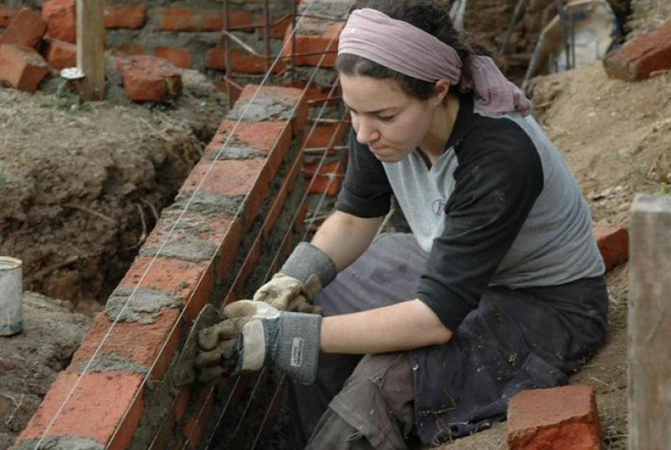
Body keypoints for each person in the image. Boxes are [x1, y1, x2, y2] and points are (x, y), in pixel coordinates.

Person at [195, 1, 609, 448]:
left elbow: (433, 320)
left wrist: (278, 339)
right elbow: (355, 219)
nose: (363, 132)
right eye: (353, 110)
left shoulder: (499, 157)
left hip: (546, 305)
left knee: (377, 386)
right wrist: (290, 283)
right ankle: (308, 439)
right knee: (322, 299)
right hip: (459, 270)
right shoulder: (380, 123)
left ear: (438, 90)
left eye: (384, 116)